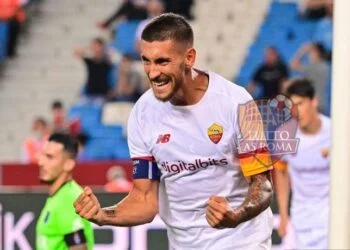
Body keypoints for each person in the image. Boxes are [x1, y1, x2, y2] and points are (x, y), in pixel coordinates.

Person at [74, 13, 273, 249]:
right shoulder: (143, 113)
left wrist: (236, 216)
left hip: (241, 241)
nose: (152, 72)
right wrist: (102, 215)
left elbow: (263, 186)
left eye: (162, 62)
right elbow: (145, 200)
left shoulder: (236, 102)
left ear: (189, 58)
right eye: (146, 61)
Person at [274, 78, 330, 249]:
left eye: (301, 103)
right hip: (302, 218)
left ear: (314, 102)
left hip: (333, 216)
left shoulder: (336, 132)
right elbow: (281, 173)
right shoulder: (285, 136)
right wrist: (283, 215)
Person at [36, 133, 94, 250]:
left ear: (68, 164)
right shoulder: (60, 195)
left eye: (49, 157)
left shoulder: (69, 199)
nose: (41, 162)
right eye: (42, 155)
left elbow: (79, 247)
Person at [290, 42, 330, 114]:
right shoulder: (325, 65)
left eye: (310, 53)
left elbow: (292, 65)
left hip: (315, 105)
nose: (308, 56)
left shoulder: (313, 67)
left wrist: (302, 51)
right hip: (323, 104)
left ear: (316, 53)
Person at [74, 37, 113, 104]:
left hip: (102, 95)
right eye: (94, 47)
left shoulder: (106, 62)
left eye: (97, 46)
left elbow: (111, 55)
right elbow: (76, 52)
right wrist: (89, 47)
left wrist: (103, 50)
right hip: (89, 94)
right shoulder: (89, 61)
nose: (95, 49)